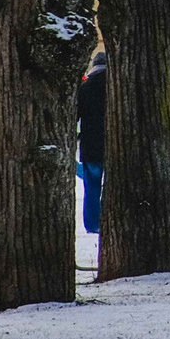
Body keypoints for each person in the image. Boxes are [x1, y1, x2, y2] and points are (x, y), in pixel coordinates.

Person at [76, 49, 109, 233]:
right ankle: (109, 220)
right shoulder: (117, 86)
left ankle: (92, 224)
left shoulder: (85, 88)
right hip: (113, 145)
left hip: (91, 145)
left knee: (92, 187)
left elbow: (75, 115)